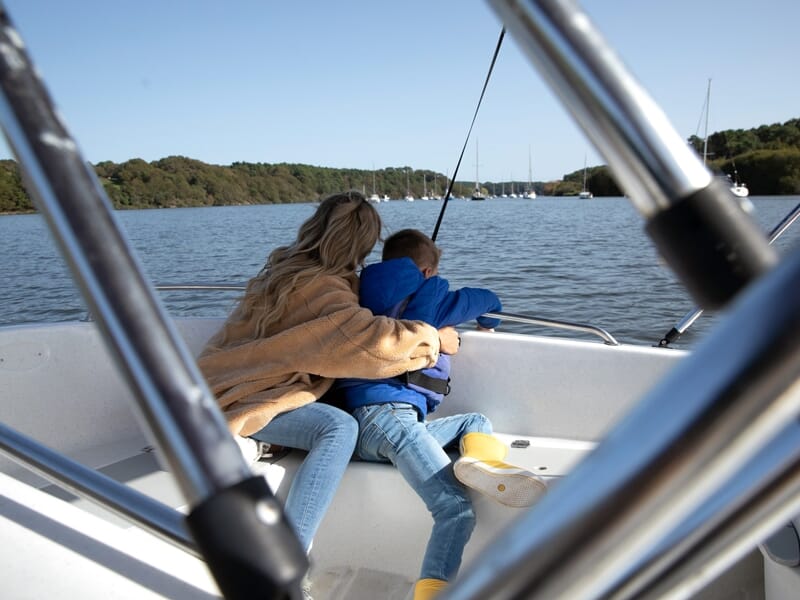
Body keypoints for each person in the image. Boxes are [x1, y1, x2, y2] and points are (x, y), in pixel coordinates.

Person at [196, 193, 460, 598]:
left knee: (338, 422)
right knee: (338, 428)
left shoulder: (284, 273)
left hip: (215, 387)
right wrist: (434, 340)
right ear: (360, 244)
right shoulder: (324, 290)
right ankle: (287, 568)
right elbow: (370, 345)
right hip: (241, 398)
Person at [338, 228, 547, 600]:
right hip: (393, 420)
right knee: (456, 510)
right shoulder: (429, 295)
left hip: (364, 425)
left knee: (475, 421)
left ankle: (481, 464)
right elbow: (486, 299)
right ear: (429, 271)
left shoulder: (355, 292)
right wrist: (489, 324)